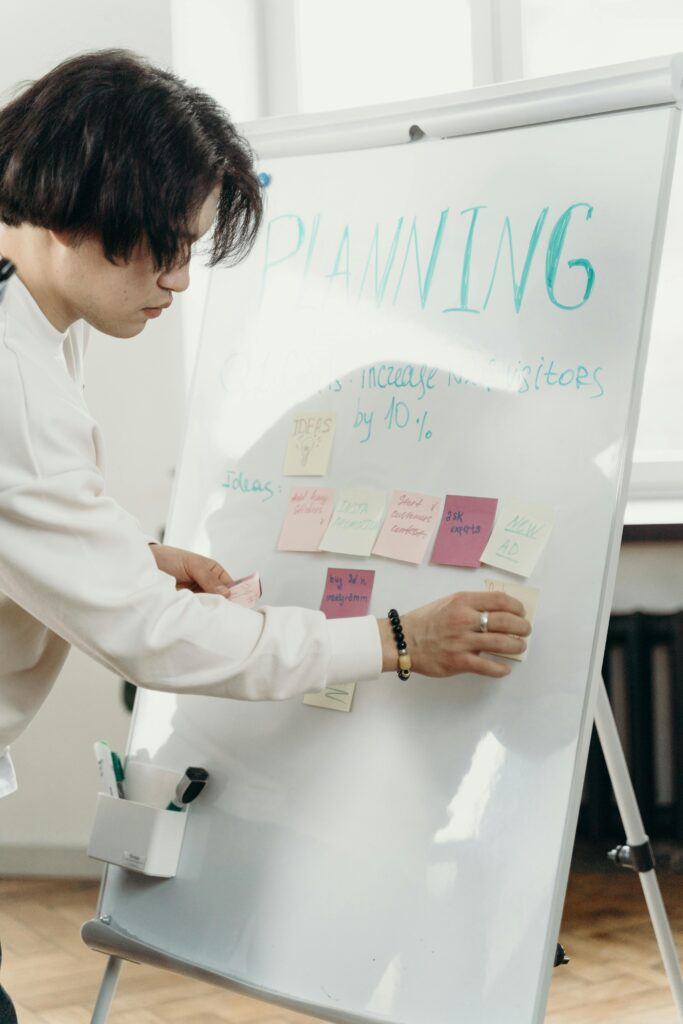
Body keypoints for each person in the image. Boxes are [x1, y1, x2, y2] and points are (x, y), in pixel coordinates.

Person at [0, 50, 530, 1019]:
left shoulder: (24, 309)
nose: (180, 282)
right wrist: (394, 638)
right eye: (166, 245)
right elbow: (149, 637)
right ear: (77, 205)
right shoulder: (15, 381)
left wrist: (130, 556)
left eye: (194, 250)